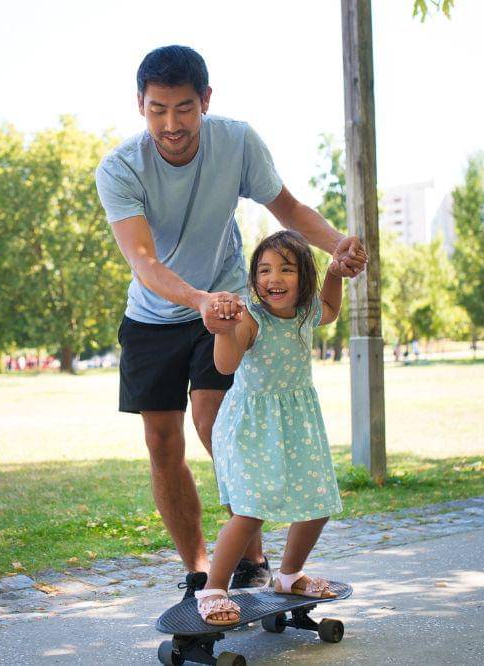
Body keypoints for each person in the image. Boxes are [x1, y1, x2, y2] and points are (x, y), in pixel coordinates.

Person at [95, 44, 367, 601]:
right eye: (158, 110)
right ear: (140, 106)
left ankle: (251, 557)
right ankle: (199, 567)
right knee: (160, 440)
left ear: (206, 101)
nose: (172, 124)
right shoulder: (120, 169)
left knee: (215, 416)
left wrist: (338, 244)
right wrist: (194, 298)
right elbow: (143, 261)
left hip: (229, 304)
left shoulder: (236, 141)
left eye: (185, 108)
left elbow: (287, 210)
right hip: (156, 310)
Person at [194, 229, 345, 624]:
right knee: (250, 511)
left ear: (304, 279)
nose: (273, 278)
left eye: (285, 269)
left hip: (296, 424)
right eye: (264, 270)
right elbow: (225, 366)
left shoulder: (306, 311)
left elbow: (330, 307)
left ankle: (289, 574)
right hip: (250, 427)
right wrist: (224, 330)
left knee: (318, 502)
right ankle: (213, 588)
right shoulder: (249, 318)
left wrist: (335, 272)